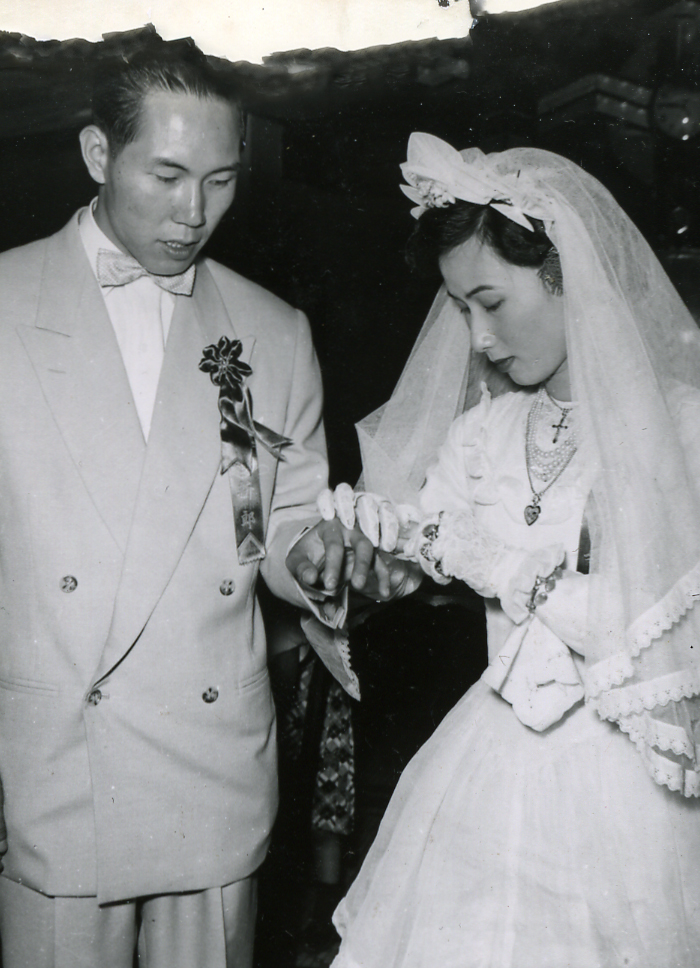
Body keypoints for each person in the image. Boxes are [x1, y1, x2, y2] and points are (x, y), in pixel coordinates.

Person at [0, 38, 395, 968]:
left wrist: (317, 561)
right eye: (168, 175)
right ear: (99, 155)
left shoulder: (273, 330)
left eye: (220, 181)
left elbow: (288, 520)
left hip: (211, 758)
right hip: (56, 755)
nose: (194, 215)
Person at [323, 134, 700, 967]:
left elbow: (662, 640)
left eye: (490, 301)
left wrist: (490, 561)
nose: (477, 335)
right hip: (488, 771)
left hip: (629, 797)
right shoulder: (484, 432)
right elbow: (415, 557)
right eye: (460, 308)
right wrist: (373, 553)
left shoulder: (682, 429)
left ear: (569, 273)